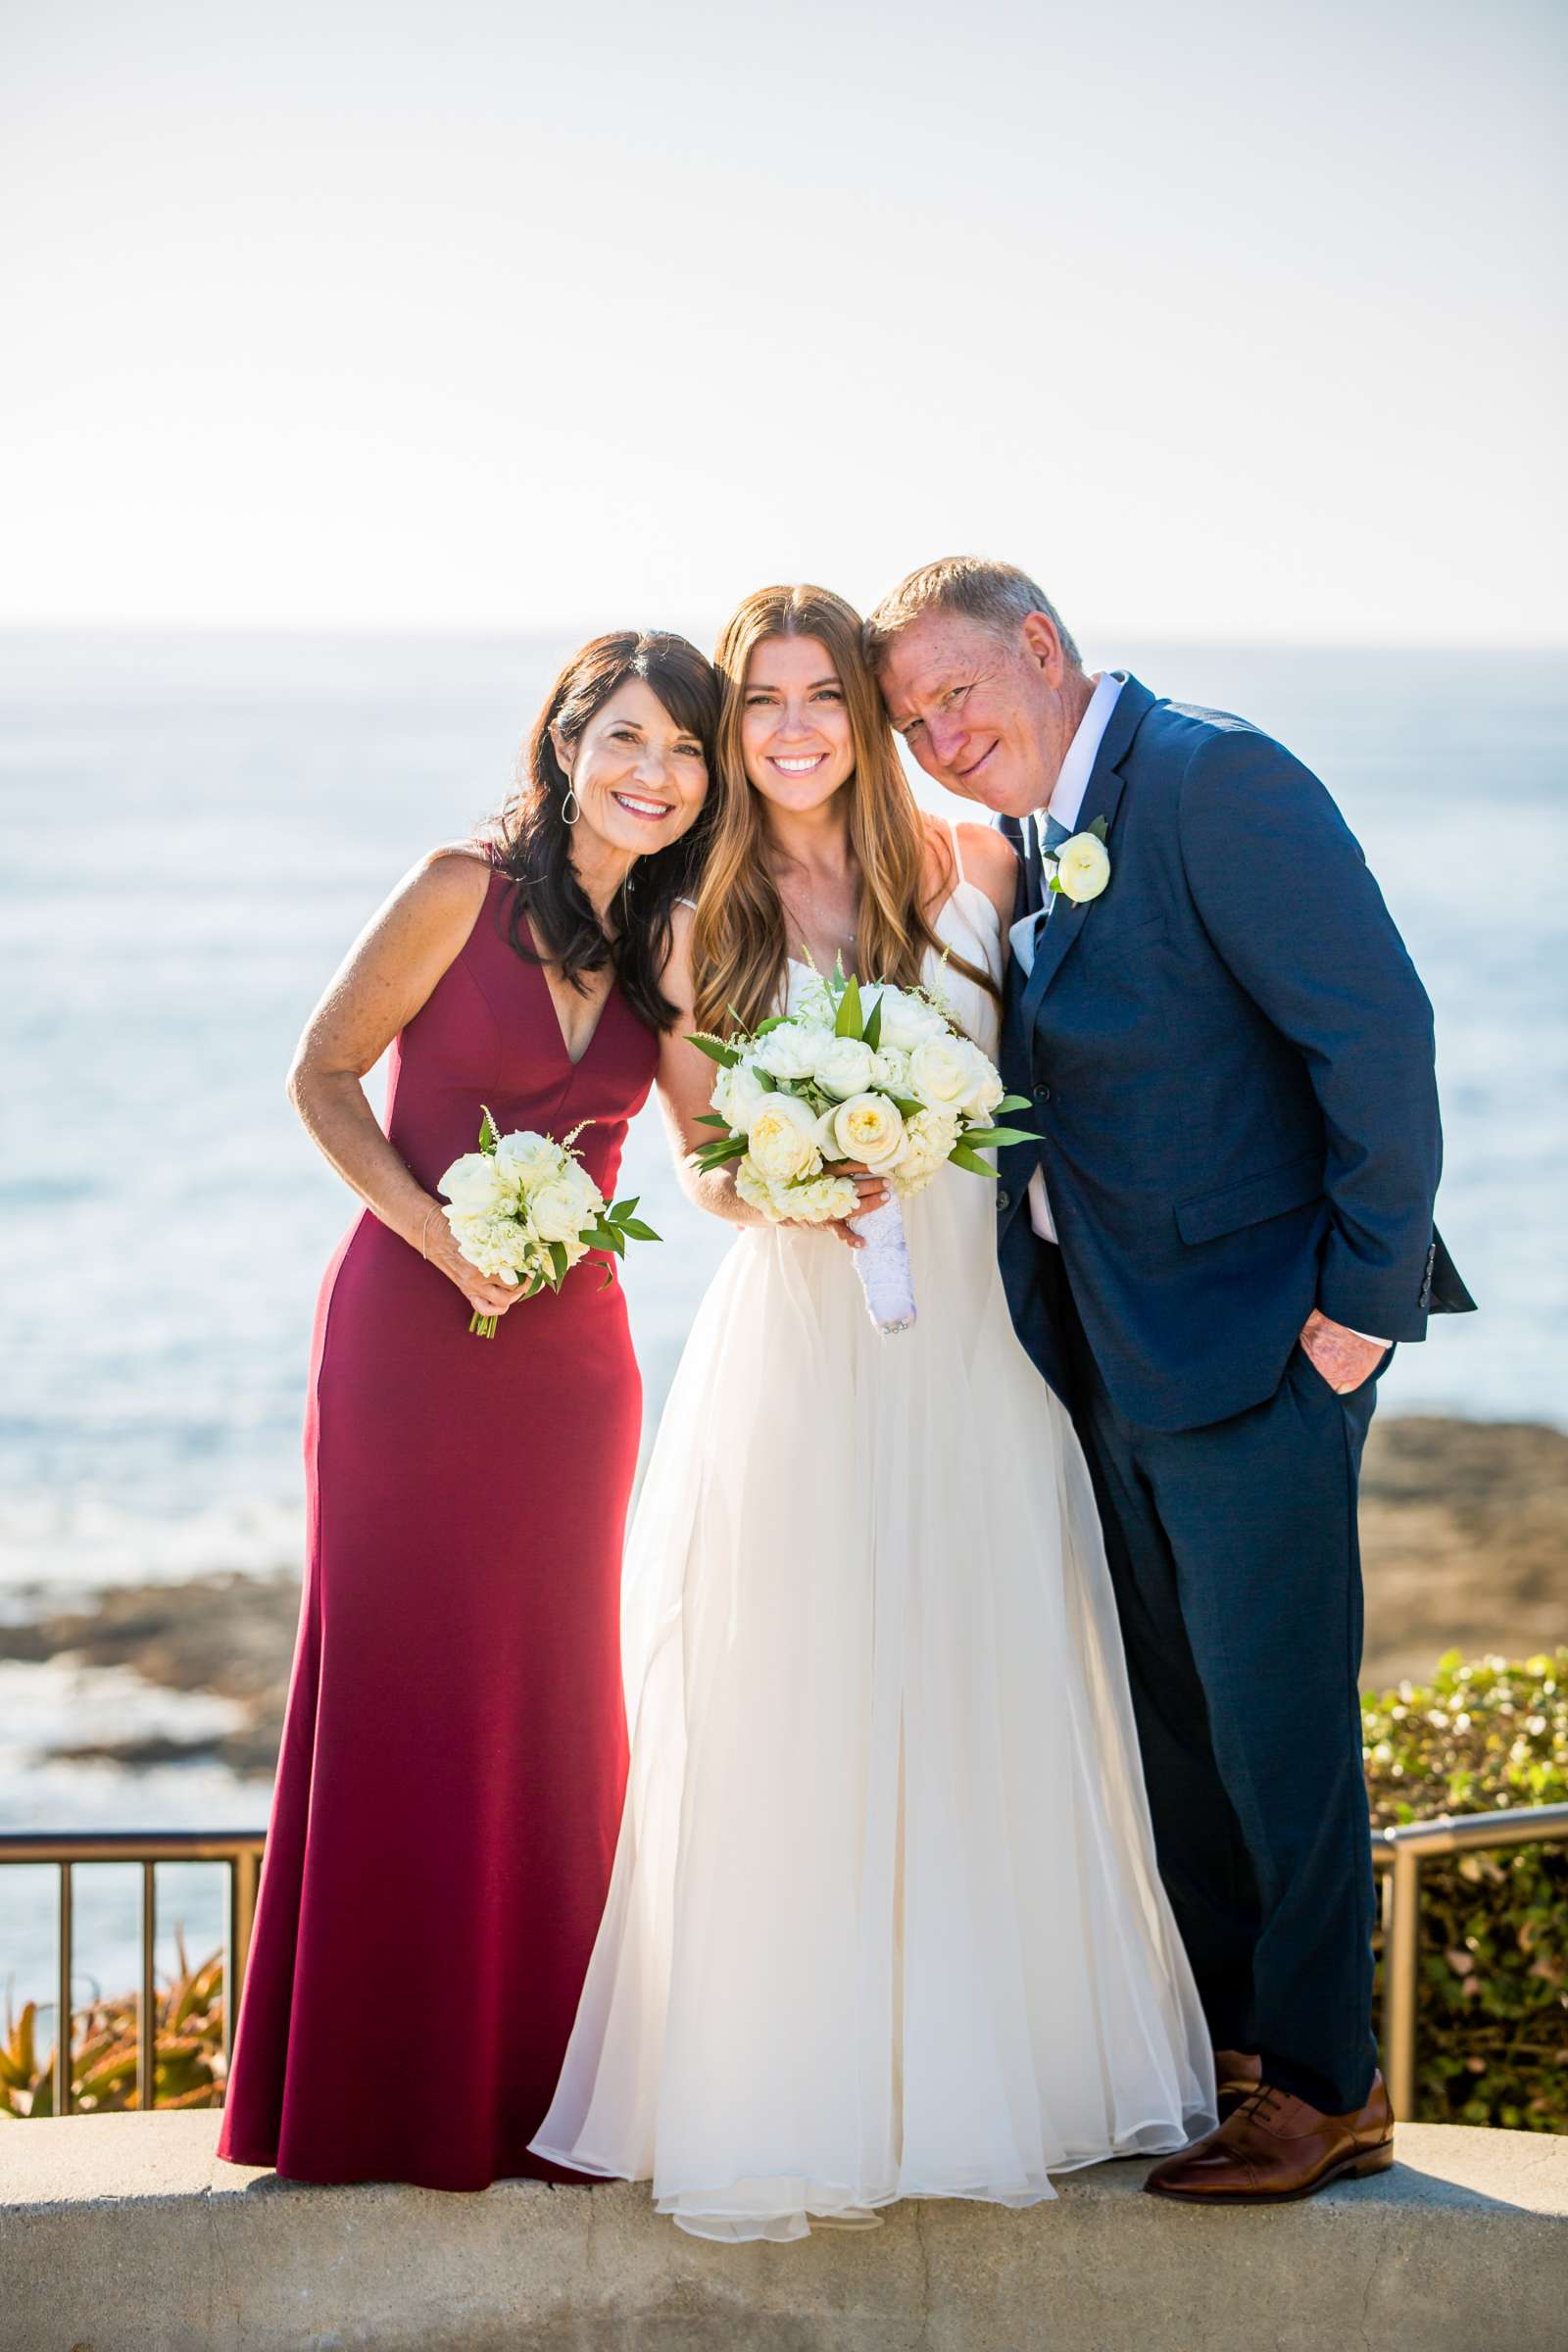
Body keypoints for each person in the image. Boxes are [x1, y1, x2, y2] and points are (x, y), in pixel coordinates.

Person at [530, 584, 1215, 2241]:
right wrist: (799, 1179)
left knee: (985, 1679)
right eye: (757, 704)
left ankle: (1009, 2080)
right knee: (812, 1698)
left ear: (861, 712)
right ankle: (801, 2090)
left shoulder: (975, 870)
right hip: (807, 1358)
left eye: (817, 698)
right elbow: (697, 1167)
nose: (786, 733)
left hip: (978, 1352)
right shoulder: (698, 917)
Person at [868, 556, 1475, 2205]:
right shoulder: (1047, 823)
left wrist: (1357, 1311)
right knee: (1179, 1728)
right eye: (909, 719)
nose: (934, 735)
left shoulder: (1217, 778)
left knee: (1277, 1727)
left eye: (954, 697)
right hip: (1112, 1346)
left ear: (1042, 648)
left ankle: (1329, 2089)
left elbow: (1380, 1042)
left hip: (1259, 1345)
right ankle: (1228, 2051)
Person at [218, 630, 717, 2189]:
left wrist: (849, 1158)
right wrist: (439, 1235)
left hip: (576, 1372)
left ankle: (539, 2092)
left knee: (558, 1693)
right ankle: (365, 2095)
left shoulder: (676, 940)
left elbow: (711, 1157)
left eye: (688, 752)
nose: (658, 775)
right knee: (397, 1675)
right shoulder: (458, 890)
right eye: (628, 739)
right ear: (566, 744)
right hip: (406, 1345)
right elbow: (321, 1073)